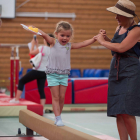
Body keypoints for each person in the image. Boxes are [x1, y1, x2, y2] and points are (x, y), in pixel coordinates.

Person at [29, 21, 96, 126]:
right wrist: (35, 30)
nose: (65, 38)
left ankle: (58, 116)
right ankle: (58, 118)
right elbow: (45, 35)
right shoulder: (53, 42)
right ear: (56, 34)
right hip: (52, 74)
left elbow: (82, 44)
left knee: (62, 97)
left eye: (68, 36)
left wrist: (94, 39)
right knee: (55, 97)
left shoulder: (69, 46)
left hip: (64, 74)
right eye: (62, 35)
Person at [95, 0, 140, 139]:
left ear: (128, 16)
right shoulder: (118, 28)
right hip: (116, 68)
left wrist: (102, 42)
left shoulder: (137, 30)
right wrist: (106, 38)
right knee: (118, 111)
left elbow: (121, 48)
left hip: (130, 70)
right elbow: (115, 48)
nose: (116, 17)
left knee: (126, 111)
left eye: (118, 15)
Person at [10, 34, 55, 114]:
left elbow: (32, 52)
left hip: (37, 71)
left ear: (45, 40)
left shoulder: (42, 48)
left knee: (21, 81)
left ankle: (16, 99)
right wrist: (37, 45)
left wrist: (33, 44)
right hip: (45, 73)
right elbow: (40, 55)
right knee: (41, 90)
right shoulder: (52, 50)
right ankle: (42, 109)